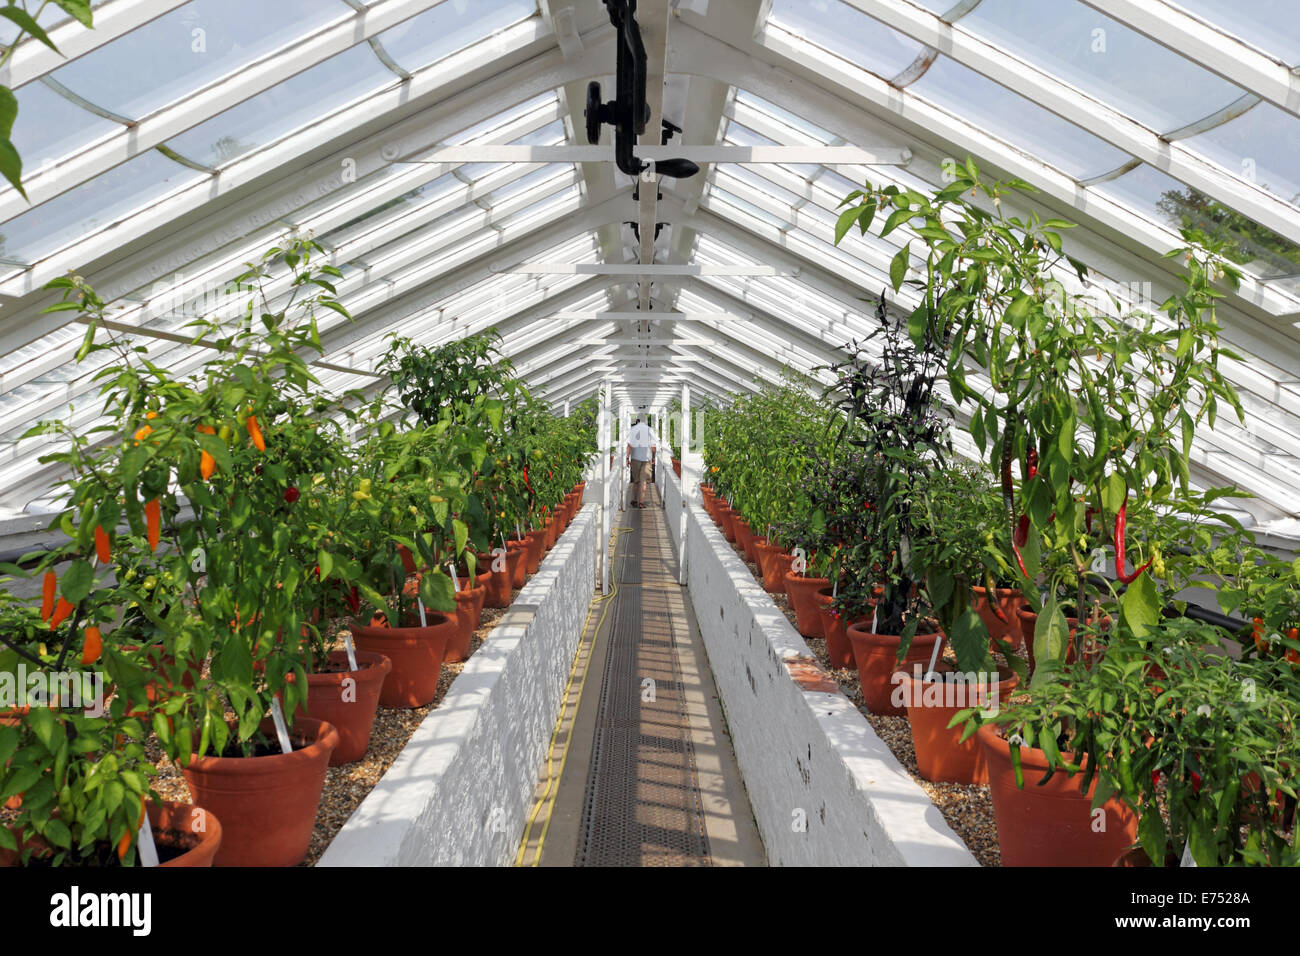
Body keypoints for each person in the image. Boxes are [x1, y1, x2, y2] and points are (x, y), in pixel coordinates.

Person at [625, 416, 657, 509]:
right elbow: (654, 447)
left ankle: (635, 500)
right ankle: (641, 502)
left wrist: (627, 458)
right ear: (645, 422)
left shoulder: (633, 429)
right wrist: (653, 457)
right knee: (644, 482)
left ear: (637, 421)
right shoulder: (650, 430)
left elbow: (629, 446)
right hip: (647, 459)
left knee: (636, 481)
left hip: (635, 458)